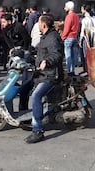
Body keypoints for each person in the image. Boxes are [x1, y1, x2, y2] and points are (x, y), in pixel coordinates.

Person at [24, 14, 64, 144]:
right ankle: (27, 119)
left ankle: (38, 130)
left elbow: (56, 54)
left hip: (51, 75)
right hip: (42, 74)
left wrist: (47, 61)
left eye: (39, 23)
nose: (38, 25)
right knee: (24, 88)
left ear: (44, 25)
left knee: (36, 96)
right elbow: (41, 51)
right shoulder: (46, 37)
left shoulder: (53, 38)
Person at [79, 4, 95, 75]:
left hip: (86, 39)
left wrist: (80, 40)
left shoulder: (84, 20)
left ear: (84, 10)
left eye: (82, 9)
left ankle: (86, 70)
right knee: (93, 54)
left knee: (85, 55)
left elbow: (82, 31)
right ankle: (92, 69)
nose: (81, 10)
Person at [61, 1, 80, 76]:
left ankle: (70, 71)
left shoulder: (69, 16)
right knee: (73, 55)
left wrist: (63, 37)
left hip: (69, 37)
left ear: (69, 8)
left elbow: (66, 28)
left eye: (65, 6)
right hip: (75, 37)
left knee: (68, 56)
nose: (64, 8)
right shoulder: (76, 16)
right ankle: (73, 70)